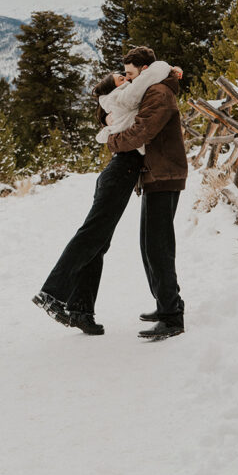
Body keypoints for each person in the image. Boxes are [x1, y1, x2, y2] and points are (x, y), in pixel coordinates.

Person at [32, 58, 175, 335]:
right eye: (120, 77)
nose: (126, 78)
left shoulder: (117, 100)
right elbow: (151, 74)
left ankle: (80, 309)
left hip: (117, 171)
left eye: (126, 75)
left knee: (99, 241)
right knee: (92, 234)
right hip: (122, 169)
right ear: (114, 88)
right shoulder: (125, 96)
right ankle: (52, 292)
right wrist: (170, 69)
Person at [106, 46, 188, 341]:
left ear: (143, 70)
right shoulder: (151, 90)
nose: (126, 80)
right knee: (149, 244)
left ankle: (171, 316)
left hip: (164, 174)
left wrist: (112, 141)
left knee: (158, 246)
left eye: (129, 74)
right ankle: (167, 303)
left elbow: (142, 132)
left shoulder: (158, 93)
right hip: (157, 174)